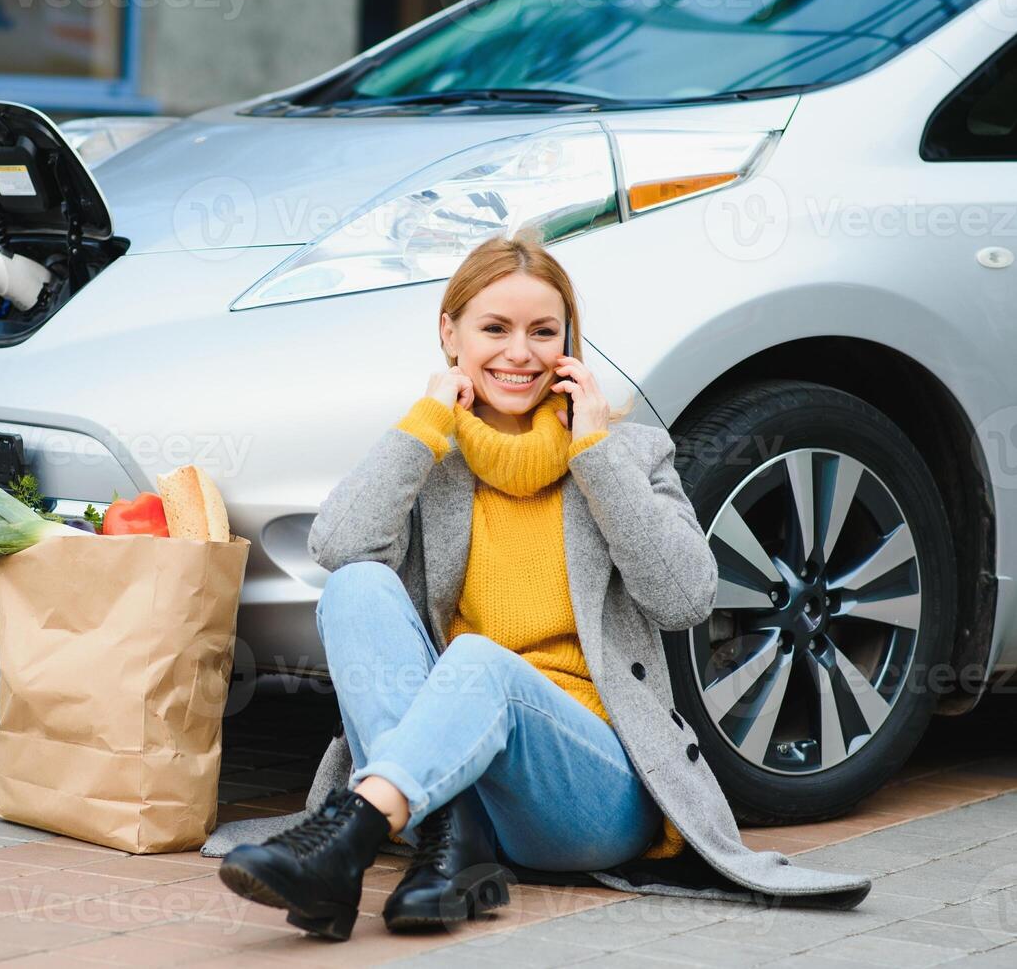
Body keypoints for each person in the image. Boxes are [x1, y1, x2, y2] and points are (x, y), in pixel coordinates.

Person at [212, 225, 871, 941]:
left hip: (592, 794)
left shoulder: (629, 455)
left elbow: (685, 600)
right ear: (450, 335)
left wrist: (594, 453)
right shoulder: (430, 458)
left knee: (479, 661)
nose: (520, 352)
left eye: (542, 331)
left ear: (569, 344)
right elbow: (338, 545)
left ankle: (353, 835)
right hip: (461, 777)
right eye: (494, 328)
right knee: (355, 586)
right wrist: (427, 420)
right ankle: (443, 847)